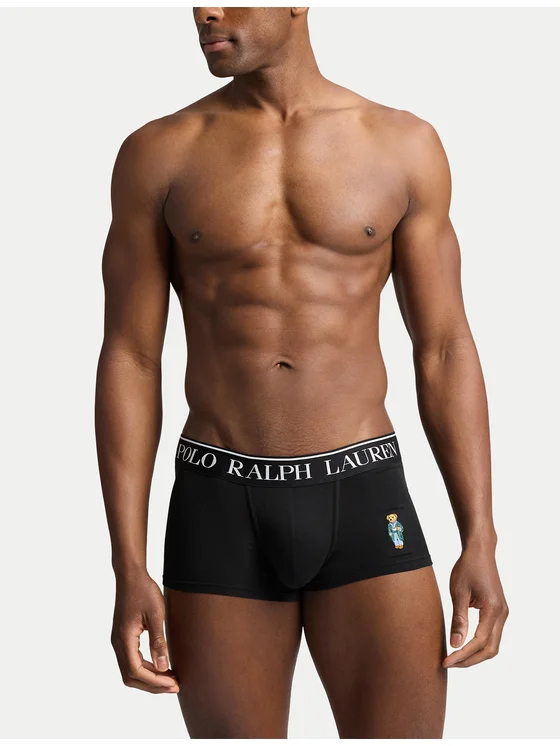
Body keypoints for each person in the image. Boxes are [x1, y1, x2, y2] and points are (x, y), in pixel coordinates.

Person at [94, 6, 509, 738]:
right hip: (219, 499)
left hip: (364, 488)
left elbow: (444, 345)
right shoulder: (159, 153)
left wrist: (481, 535)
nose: (205, 10)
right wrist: (127, 564)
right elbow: (131, 354)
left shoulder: (401, 144)